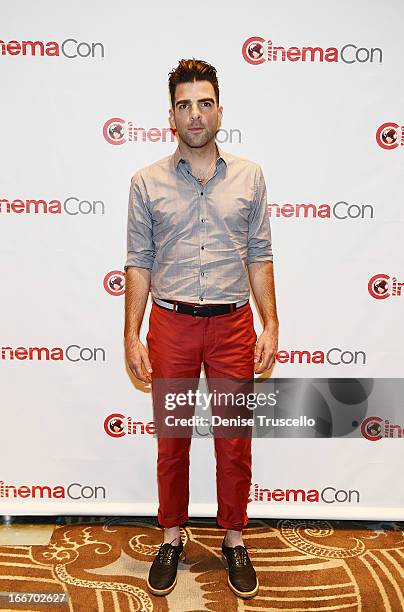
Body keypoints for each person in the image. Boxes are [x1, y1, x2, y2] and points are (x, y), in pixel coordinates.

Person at [124, 58, 278, 600]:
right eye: (185, 104)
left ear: (219, 110)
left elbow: (260, 252)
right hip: (171, 325)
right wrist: (131, 333)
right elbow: (138, 260)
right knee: (173, 441)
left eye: (204, 102)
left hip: (234, 325)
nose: (195, 114)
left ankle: (235, 537)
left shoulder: (250, 176)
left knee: (234, 442)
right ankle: (172, 534)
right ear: (171, 115)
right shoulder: (146, 182)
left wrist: (270, 323)